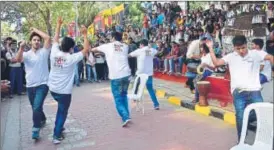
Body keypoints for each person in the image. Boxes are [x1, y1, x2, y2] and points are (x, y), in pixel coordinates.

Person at [207, 35, 273, 141]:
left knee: (260, 114)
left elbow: (270, 57)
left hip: (254, 91)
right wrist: (210, 48)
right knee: (240, 116)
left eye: (243, 47)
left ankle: (263, 140)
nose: (241, 51)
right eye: (238, 49)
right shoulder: (231, 56)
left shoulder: (256, 54)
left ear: (246, 45)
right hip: (238, 92)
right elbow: (216, 63)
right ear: (234, 48)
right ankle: (241, 141)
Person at [47, 17, 89, 144]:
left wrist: (58, 25)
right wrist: (85, 35)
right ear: (71, 48)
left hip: (52, 89)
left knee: (61, 111)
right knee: (62, 112)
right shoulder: (71, 58)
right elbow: (86, 49)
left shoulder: (54, 52)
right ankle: (56, 135)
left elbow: (54, 39)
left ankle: (60, 126)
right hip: (64, 92)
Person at [15, 27, 51, 140]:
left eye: (38, 40)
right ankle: (43, 118)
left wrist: (35, 30)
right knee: (35, 107)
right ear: (30, 42)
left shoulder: (44, 51)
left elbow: (48, 38)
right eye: (34, 40)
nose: (36, 41)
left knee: (36, 106)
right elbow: (18, 59)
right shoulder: (26, 54)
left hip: (43, 84)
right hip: (30, 86)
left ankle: (36, 128)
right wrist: (21, 48)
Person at [91, 32, 131, 127]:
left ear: (113, 38)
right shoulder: (125, 46)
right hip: (126, 75)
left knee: (117, 98)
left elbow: (93, 49)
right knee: (124, 95)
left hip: (116, 76)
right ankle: (127, 114)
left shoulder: (108, 46)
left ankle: (125, 117)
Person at [129, 39, 160, 110]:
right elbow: (157, 52)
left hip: (140, 74)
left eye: (140, 45)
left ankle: (134, 98)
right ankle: (156, 104)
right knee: (150, 89)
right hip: (149, 73)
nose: (139, 46)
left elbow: (129, 55)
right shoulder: (151, 50)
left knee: (136, 85)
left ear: (142, 44)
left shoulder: (139, 50)